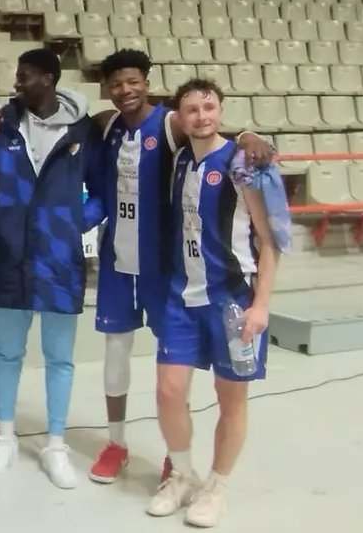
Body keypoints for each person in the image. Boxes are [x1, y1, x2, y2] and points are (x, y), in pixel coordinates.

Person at [87, 50, 275, 485]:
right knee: (116, 353)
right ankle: (117, 444)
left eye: (133, 81)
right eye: (116, 84)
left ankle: (177, 459)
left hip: (165, 267)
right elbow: (77, 119)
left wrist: (247, 134)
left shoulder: (171, 122)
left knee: (174, 375)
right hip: (117, 260)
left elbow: (208, 125)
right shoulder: (107, 124)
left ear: (147, 81)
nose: (125, 90)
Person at [147, 78, 280, 528]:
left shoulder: (245, 164)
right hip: (181, 297)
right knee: (168, 392)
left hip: (233, 300)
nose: (201, 116)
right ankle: (183, 475)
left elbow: (268, 241)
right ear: (180, 117)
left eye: (209, 107)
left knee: (231, 398)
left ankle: (217, 486)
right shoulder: (181, 156)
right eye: (191, 109)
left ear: (220, 110)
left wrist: (261, 306)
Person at [0, 48, 103, 489]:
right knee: (6, 352)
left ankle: (56, 445)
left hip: (60, 260)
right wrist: (5, 224)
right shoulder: (2, 125)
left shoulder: (84, 130)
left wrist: (71, 225)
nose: (17, 83)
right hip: (10, 256)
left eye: (24, 76)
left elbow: (101, 191)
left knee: (59, 358)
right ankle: (5, 437)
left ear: (48, 79)